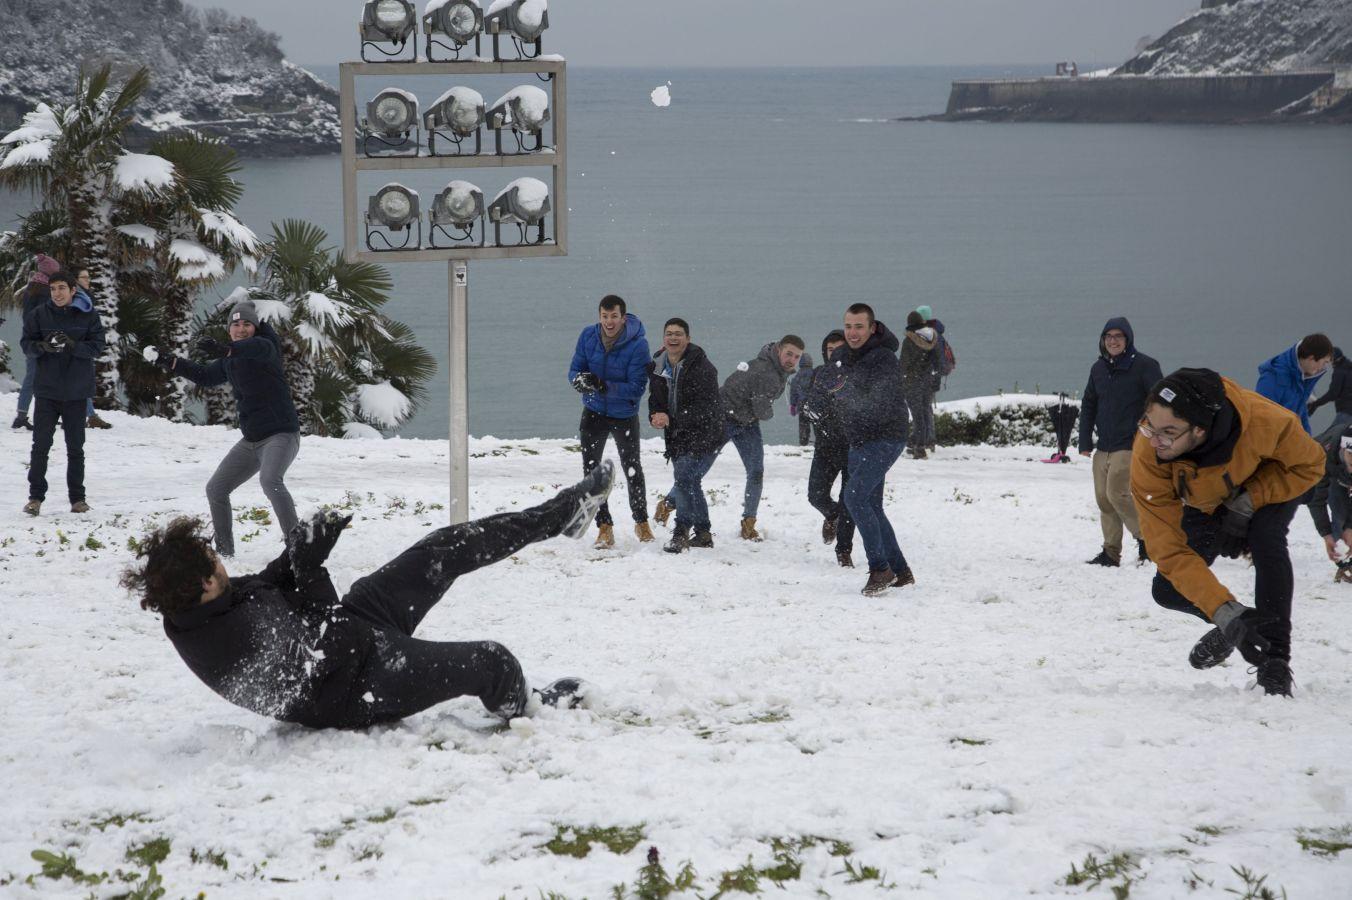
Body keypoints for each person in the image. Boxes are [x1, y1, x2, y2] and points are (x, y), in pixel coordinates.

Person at [119, 464, 616, 728]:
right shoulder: (231, 640)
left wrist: (300, 549)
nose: (221, 563)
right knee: (493, 661)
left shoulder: (202, 604)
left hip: (352, 634)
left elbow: (270, 585)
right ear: (204, 583)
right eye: (213, 563)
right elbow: (329, 648)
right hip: (354, 686)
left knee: (443, 548)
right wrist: (310, 566)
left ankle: (563, 513)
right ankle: (528, 708)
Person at [1132, 368, 1324, 697]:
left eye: (1168, 432)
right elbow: (1169, 550)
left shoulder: (1267, 421)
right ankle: (1237, 624)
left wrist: (1248, 501)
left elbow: (1311, 465)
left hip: (1270, 489)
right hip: (1208, 502)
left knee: (1266, 540)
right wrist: (1224, 611)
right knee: (1167, 590)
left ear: (1199, 430)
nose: (1153, 439)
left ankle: (1275, 660)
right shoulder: (1151, 453)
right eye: (1149, 424)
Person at [146, 300, 300, 556]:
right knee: (216, 489)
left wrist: (224, 349)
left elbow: (254, 348)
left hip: (281, 434)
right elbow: (205, 376)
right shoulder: (231, 359)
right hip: (251, 441)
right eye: (236, 324)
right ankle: (225, 552)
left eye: (247, 324)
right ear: (229, 329)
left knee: (270, 480)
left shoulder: (266, 347)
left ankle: (297, 546)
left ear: (255, 327)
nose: (241, 329)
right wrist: (169, 361)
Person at [567, 294, 652, 549]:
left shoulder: (638, 345)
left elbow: (637, 388)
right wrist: (579, 382)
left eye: (614, 316)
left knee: (632, 468)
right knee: (593, 473)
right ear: (599, 316)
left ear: (623, 317)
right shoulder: (588, 336)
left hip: (624, 414)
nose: (609, 322)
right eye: (604, 316)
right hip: (593, 411)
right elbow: (574, 369)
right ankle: (604, 526)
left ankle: (641, 521)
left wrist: (603, 386)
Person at [837, 303, 911, 595]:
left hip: (886, 437)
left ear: (872, 327)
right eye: (848, 326)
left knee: (854, 498)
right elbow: (833, 388)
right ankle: (901, 571)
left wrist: (843, 394)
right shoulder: (844, 355)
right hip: (859, 439)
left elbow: (876, 400)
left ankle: (880, 569)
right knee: (871, 505)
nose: (852, 333)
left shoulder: (884, 359)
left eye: (858, 327)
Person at [1077, 317, 1163, 567]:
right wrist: (1085, 440)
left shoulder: (1145, 366)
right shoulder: (1098, 368)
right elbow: (1089, 402)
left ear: (1128, 340)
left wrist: (1150, 435)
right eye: (1108, 337)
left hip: (1131, 443)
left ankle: (1147, 541)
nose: (1113, 341)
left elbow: (1159, 403)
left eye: (1118, 336)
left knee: (1117, 493)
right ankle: (1111, 552)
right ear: (1103, 341)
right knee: (1103, 498)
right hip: (1104, 444)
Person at [20, 270, 106, 515]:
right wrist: (43, 346)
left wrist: (73, 345)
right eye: (53, 288)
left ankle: (77, 499)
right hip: (47, 391)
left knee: (75, 448)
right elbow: (26, 344)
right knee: (40, 446)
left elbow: (98, 346)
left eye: (61, 288)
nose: (57, 293)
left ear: (72, 290)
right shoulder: (39, 314)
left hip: (77, 392)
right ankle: (35, 498)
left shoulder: (88, 316)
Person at [647, 318, 723, 553]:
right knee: (690, 480)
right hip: (677, 434)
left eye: (678, 334)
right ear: (663, 338)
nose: (673, 338)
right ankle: (703, 534)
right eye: (669, 333)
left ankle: (681, 531)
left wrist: (673, 419)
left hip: (706, 433)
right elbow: (655, 397)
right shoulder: (658, 365)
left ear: (688, 339)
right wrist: (656, 414)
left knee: (683, 477)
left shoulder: (703, 368)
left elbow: (706, 408)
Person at [719, 335, 805, 541]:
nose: (791, 359)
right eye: (788, 354)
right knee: (699, 468)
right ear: (778, 350)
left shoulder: (776, 370)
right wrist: (770, 412)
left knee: (756, 471)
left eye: (796, 356)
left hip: (746, 422)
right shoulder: (767, 372)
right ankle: (668, 504)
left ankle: (749, 523)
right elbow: (762, 410)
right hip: (723, 417)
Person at [801, 329, 855, 567]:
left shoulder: (857, 374)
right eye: (830, 349)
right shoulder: (819, 375)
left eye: (838, 349)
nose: (834, 353)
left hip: (854, 448)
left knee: (849, 501)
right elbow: (808, 404)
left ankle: (844, 551)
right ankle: (832, 515)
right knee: (815, 495)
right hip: (825, 446)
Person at [12, 253, 62, 431]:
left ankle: (22, 413)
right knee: (46, 378)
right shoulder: (44, 292)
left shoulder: (31, 289)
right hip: (43, 341)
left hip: (31, 340)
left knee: (32, 378)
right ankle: (28, 416)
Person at [1256, 333, 1333, 435]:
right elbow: (1261, 417)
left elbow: (1301, 414)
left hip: (1289, 441)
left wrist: (1308, 442)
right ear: (1311, 358)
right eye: (1324, 362)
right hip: (1271, 444)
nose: (1323, 368)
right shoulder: (1273, 376)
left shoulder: (1305, 378)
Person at [1306, 423, 1352, 572]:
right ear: (1344, 450)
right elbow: (1316, 499)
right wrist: (1326, 535)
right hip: (1332, 471)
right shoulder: (1322, 455)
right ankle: (1345, 561)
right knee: (1340, 512)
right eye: (1351, 461)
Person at [77, 268, 113, 430]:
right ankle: (90, 416)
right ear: (76, 279)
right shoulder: (78, 297)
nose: (88, 280)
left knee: (81, 380)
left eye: (88, 277)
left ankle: (88, 415)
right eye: (84, 277)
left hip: (84, 344)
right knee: (82, 380)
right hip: (80, 346)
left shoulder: (84, 295)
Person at [899, 311, 936, 460]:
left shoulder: (909, 341)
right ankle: (919, 442)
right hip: (928, 381)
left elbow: (904, 364)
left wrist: (899, 378)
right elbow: (936, 361)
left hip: (912, 382)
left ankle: (919, 448)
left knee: (917, 415)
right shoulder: (931, 339)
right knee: (924, 412)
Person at [916, 304, 949, 452]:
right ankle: (926, 439)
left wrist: (933, 376)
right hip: (928, 377)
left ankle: (928, 440)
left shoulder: (931, 335)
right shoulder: (934, 333)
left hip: (927, 378)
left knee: (924, 409)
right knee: (924, 408)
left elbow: (937, 360)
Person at [1308, 346, 1351, 441]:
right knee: (1345, 440)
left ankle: (1312, 450)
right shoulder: (1348, 368)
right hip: (1348, 412)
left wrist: (1315, 404)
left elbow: (1333, 393)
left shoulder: (1340, 372)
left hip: (1346, 412)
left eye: (1328, 360)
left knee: (1329, 437)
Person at [787, 352, 816, 446]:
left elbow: (793, 393)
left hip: (801, 405)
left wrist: (792, 406)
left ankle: (803, 443)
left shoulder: (797, 377)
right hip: (814, 404)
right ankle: (819, 441)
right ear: (811, 362)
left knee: (803, 425)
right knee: (817, 424)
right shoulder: (816, 373)